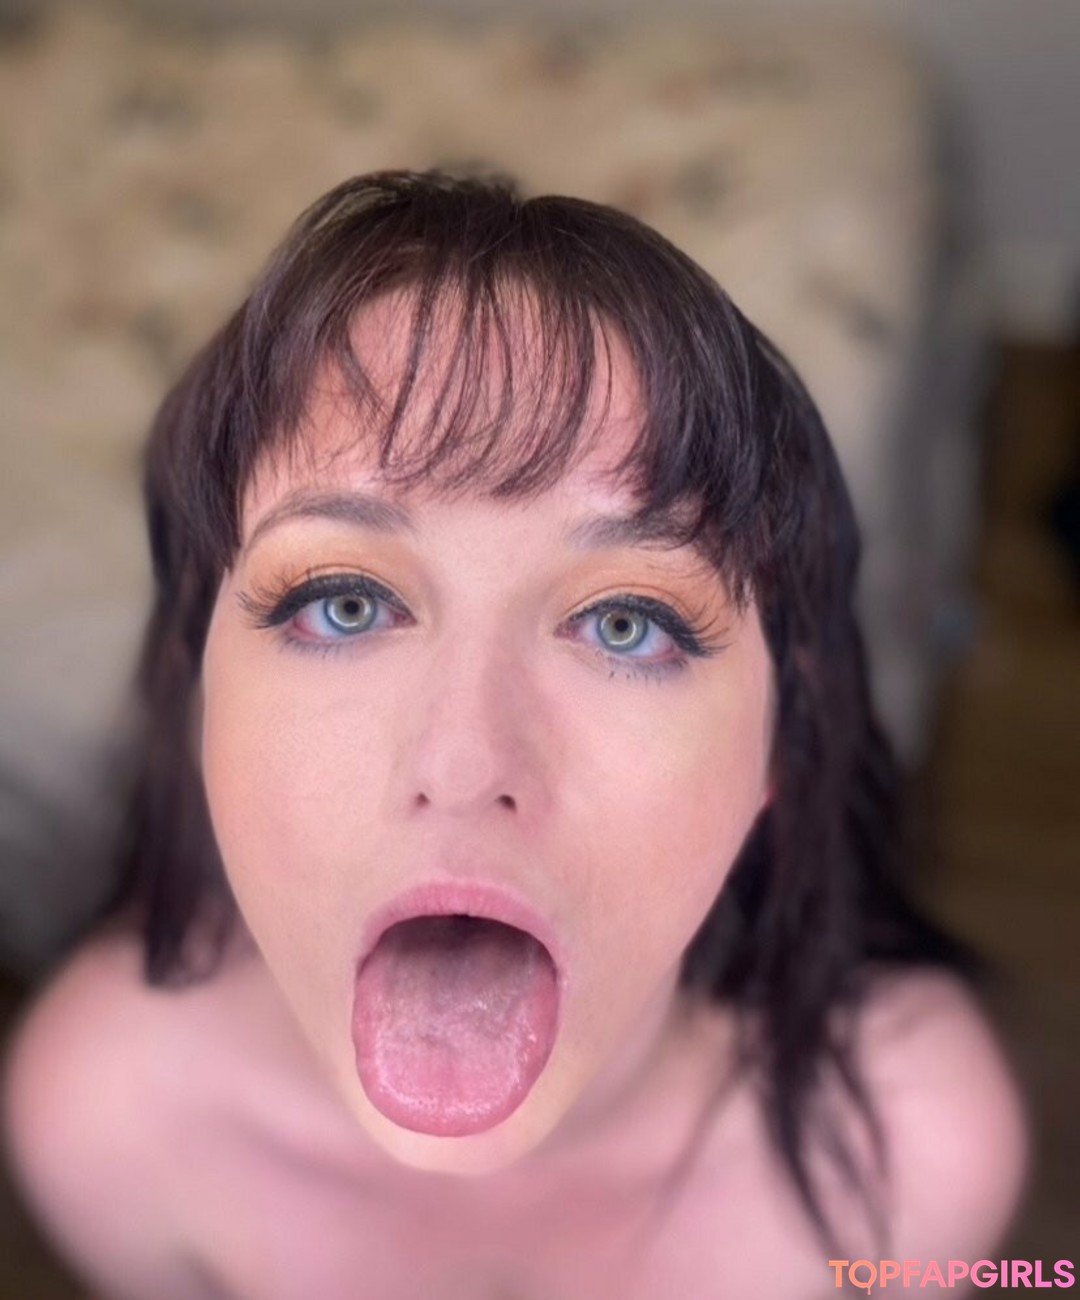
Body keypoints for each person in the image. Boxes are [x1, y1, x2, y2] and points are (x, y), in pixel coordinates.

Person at [3, 171, 1027, 1299]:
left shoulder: (908, 1159)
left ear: (785, 738)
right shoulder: (109, 1124)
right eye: (343, 602)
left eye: (627, 622)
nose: (463, 764)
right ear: (202, 698)